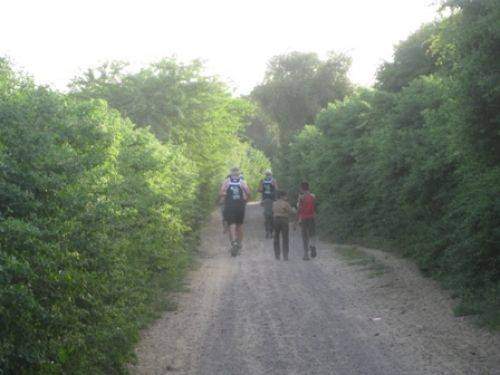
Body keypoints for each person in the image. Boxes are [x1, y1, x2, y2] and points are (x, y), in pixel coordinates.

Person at [219, 167, 251, 256]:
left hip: (230, 206)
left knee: (231, 226)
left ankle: (233, 243)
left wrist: (227, 194)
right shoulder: (242, 182)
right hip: (240, 206)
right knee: (239, 226)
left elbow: (221, 193)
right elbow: (248, 192)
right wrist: (246, 201)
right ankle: (239, 243)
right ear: (239, 174)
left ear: (231, 173)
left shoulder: (226, 182)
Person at [297, 182, 317, 260]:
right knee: (312, 233)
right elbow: (315, 208)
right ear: (308, 188)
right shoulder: (313, 196)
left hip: (304, 218)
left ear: (301, 188)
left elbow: (299, 209)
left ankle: (306, 255)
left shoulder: (301, 197)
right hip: (312, 217)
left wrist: (296, 221)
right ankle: (312, 246)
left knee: (305, 236)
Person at [272, 190, 293, 260]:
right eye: (285, 196)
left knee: (276, 237)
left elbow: (273, 211)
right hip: (284, 220)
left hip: (275, 220)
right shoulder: (286, 203)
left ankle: (277, 255)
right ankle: (285, 255)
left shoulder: (274, 203)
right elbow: (290, 211)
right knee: (285, 238)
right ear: (282, 196)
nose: (286, 197)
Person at [258, 170, 278, 238]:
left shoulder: (263, 180)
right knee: (270, 216)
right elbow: (276, 189)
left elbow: (260, 190)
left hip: (268, 200)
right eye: (267, 174)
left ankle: (269, 231)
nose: (268, 176)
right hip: (270, 200)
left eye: (268, 174)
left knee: (268, 216)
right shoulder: (273, 180)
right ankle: (269, 232)